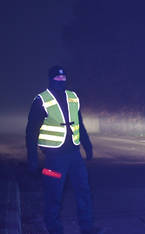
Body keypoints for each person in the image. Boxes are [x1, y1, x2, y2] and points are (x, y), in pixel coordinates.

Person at [26, 66, 97, 234]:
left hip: (75, 157)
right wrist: (32, 159)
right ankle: (54, 228)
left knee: (83, 191)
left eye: (63, 77)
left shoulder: (73, 97)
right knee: (54, 193)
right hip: (54, 159)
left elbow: (80, 123)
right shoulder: (41, 100)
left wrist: (87, 145)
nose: (61, 80)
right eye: (57, 77)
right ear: (51, 79)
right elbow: (31, 131)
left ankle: (86, 227)